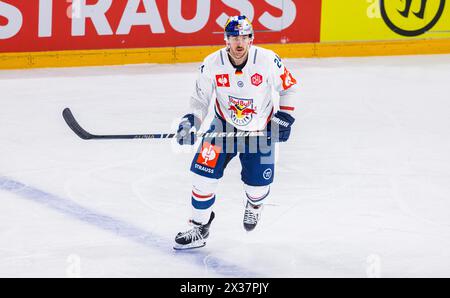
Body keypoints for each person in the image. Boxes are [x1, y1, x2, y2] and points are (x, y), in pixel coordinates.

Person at [173, 16, 298, 250]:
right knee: (202, 179)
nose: (239, 43)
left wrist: (286, 117)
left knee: (257, 189)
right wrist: (191, 121)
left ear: (251, 39)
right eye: (234, 38)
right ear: (226, 40)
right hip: (221, 129)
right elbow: (200, 99)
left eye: (244, 37)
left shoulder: (267, 60)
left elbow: (288, 87)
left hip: (259, 133)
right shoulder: (211, 63)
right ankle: (199, 228)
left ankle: (254, 205)